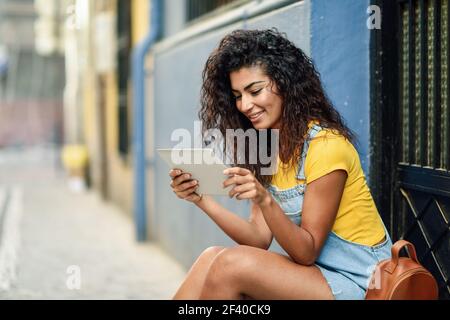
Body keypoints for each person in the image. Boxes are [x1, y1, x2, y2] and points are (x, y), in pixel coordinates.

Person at [168, 29, 392, 300]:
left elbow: (306, 252)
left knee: (230, 265)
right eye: (238, 95)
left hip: (362, 281)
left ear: (285, 83)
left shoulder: (326, 146)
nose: (245, 105)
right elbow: (258, 239)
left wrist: (265, 199)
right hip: (317, 275)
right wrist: (201, 199)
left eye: (255, 90)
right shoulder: (266, 147)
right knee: (211, 258)